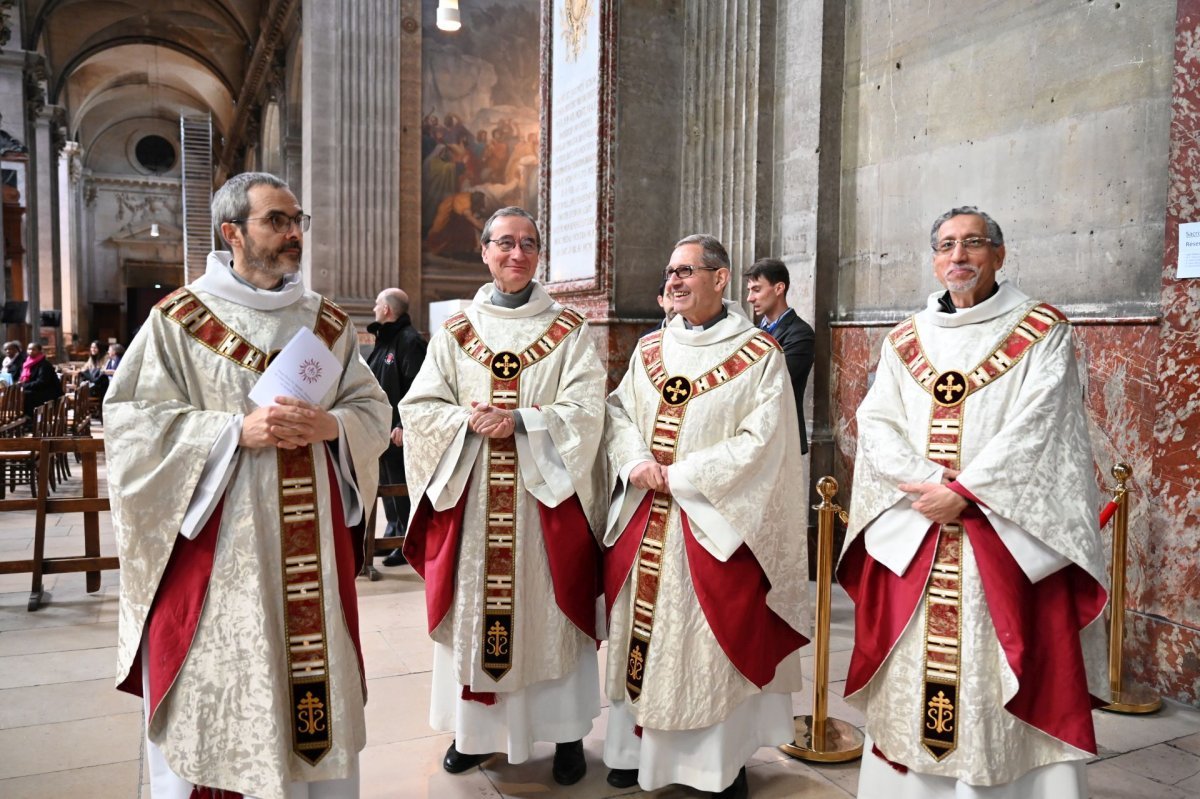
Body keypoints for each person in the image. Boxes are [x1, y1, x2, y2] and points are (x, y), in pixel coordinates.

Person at [104, 171, 391, 799]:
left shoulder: (328, 323)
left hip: (309, 549)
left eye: (297, 221)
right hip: (223, 556)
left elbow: (374, 411)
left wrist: (331, 424)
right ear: (232, 232)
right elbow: (129, 423)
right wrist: (235, 432)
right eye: (277, 221)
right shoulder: (178, 320)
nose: (293, 234)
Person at [839, 206, 1108, 798]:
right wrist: (929, 485)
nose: (958, 256)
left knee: (992, 676)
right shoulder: (906, 338)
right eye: (946, 246)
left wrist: (965, 493)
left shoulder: (1041, 328)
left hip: (1001, 538)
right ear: (934, 259)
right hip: (919, 531)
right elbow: (876, 420)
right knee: (914, 680)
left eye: (973, 244)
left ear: (1000, 254)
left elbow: (1042, 425)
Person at [400, 206, 607, 786]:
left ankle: (566, 736)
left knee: (548, 617)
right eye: (505, 243)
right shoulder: (457, 331)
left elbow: (589, 411)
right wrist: (467, 423)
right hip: (473, 506)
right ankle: (474, 736)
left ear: (539, 255)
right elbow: (419, 409)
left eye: (529, 244)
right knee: (477, 620)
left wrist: (520, 420)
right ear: (485, 251)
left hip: (543, 506)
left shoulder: (569, 329)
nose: (517, 254)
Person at [603, 234, 811, 799]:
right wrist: (636, 459)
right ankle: (632, 750)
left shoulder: (759, 355)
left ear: (720, 280)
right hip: (647, 520)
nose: (673, 280)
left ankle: (718, 764)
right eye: (670, 271)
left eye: (686, 271)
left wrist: (684, 475)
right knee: (641, 641)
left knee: (709, 644)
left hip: (712, 527)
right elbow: (618, 412)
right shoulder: (649, 349)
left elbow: (763, 441)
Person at [366, 287, 427, 566]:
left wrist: (404, 423)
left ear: (387, 310)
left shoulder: (409, 341)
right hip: (380, 428)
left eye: (377, 304)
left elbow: (418, 385)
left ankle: (405, 542)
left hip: (399, 431)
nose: (374, 309)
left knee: (400, 484)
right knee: (385, 481)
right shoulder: (384, 341)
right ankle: (393, 530)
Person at [745, 258, 815, 454]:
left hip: (783, 437)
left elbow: (775, 381)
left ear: (779, 288)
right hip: (752, 436)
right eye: (749, 290)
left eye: (757, 289)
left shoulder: (801, 333)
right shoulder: (751, 333)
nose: (750, 298)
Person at [18, 342, 63, 417]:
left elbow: (42, 382)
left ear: (39, 351)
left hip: (47, 392)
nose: (31, 351)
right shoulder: (27, 363)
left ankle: (31, 418)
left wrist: (24, 385)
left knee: (27, 395)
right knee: (19, 394)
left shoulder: (44, 364)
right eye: (29, 349)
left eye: (33, 349)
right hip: (35, 389)